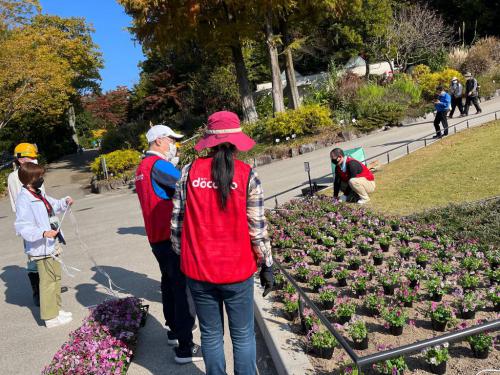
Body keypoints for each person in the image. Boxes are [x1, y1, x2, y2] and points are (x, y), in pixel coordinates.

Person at [171, 111, 274, 375]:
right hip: (237, 270)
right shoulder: (247, 174)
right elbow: (257, 228)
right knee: (242, 335)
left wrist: (185, 256)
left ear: (210, 140)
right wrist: (267, 264)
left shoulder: (188, 172)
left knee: (211, 334)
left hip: (198, 270)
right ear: (236, 141)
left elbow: (177, 224)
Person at [135, 124, 201, 364]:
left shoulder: (142, 166)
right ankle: (185, 347)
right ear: (160, 140)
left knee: (169, 283)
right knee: (182, 289)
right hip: (170, 235)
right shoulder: (158, 164)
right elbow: (188, 183)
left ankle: (174, 330)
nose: (175, 144)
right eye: (172, 140)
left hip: (156, 235)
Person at [14, 162, 73, 328]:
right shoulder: (24, 200)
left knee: (56, 278)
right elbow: (22, 226)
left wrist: (65, 202)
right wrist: (42, 233)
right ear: (28, 180)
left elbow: (53, 206)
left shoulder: (39, 194)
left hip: (52, 243)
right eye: (38, 176)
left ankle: (57, 309)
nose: (41, 179)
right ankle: (49, 316)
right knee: (47, 282)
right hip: (41, 247)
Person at [8, 143, 45, 306]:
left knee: (47, 254)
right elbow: (20, 203)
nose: (34, 160)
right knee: (33, 256)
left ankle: (48, 286)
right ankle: (38, 292)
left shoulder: (33, 171)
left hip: (43, 219)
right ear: (20, 159)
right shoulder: (15, 177)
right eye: (30, 157)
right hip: (30, 222)